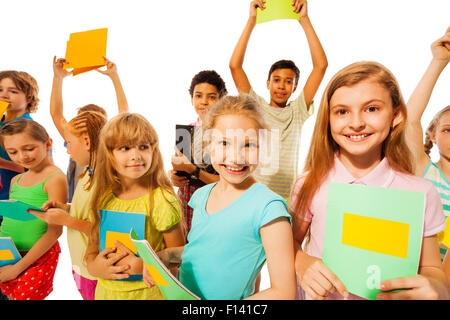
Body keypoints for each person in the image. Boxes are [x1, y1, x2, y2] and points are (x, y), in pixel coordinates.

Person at [290, 61, 449, 300]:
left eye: (371, 109)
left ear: (396, 115)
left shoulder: (422, 193)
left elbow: (433, 269)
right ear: (329, 118)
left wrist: (437, 287)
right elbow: (289, 242)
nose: (356, 123)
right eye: (342, 111)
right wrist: (301, 262)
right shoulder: (309, 183)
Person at [145, 95, 297, 300]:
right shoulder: (200, 196)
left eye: (249, 145)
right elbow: (203, 252)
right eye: (224, 143)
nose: (236, 157)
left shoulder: (269, 208)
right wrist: (167, 256)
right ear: (208, 145)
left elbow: (284, 292)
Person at [229, 0, 327, 200]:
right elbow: (235, 66)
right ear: (268, 83)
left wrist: (305, 20)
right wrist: (251, 20)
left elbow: (321, 66)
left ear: (295, 87)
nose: (281, 86)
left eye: (288, 81)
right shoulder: (256, 107)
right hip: (254, 195)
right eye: (276, 80)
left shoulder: (297, 111)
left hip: (285, 197)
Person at [84, 113, 185, 300]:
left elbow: (179, 257)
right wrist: (95, 267)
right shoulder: (103, 197)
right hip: (106, 295)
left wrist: (140, 265)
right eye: (125, 148)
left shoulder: (161, 199)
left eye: (143, 147)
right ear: (110, 155)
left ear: (153, 151)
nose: (136, 155)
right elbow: (91, 252)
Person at [29, 111, 107, 300]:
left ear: (87, 142)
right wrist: (65, 208)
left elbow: (106, 230)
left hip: (95, 272)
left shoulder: (106, 181)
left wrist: (67, 220)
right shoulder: (88, 174)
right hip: (81, 266)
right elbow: (87, 213)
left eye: (70, 143)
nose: (68, 150)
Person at [0, 119, 67, 300]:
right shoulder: (16, 180)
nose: (22, 157)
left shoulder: (54, 178)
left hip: (37, 257)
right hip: (9, 253)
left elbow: (55, 231)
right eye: (12, 152)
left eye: (29, 148)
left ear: (48, 143)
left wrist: (17, 268)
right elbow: (10, 219)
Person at [50, 56, 129, 202]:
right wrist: (58, 77)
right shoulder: (74, 140)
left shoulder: (110, 146)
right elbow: (56, 114)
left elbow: (124, 114)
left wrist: (114, 76)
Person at [404, 27, 450, 261]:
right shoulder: (426, 172)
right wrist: (439, 61)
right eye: (448, 130)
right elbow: (410, 118)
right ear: (433, 135)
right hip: (423, 279)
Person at [170, 70, 227, 234]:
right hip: (187, 207)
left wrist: (194, 170)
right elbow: (178, 169)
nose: (204, 102)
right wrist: (173, 177)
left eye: (212, 97)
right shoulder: (186, 132)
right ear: (192, 99)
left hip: (214, 208)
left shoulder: (227, 134)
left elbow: (227, 182)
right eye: (198, 96)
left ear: (221, 100)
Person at [0, 71, 39, 201]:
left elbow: (36, 169)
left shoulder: (28, 127)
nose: (4, 95)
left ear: (28, 98)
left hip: (11, 198)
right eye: (0, 90)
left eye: (13, 91)